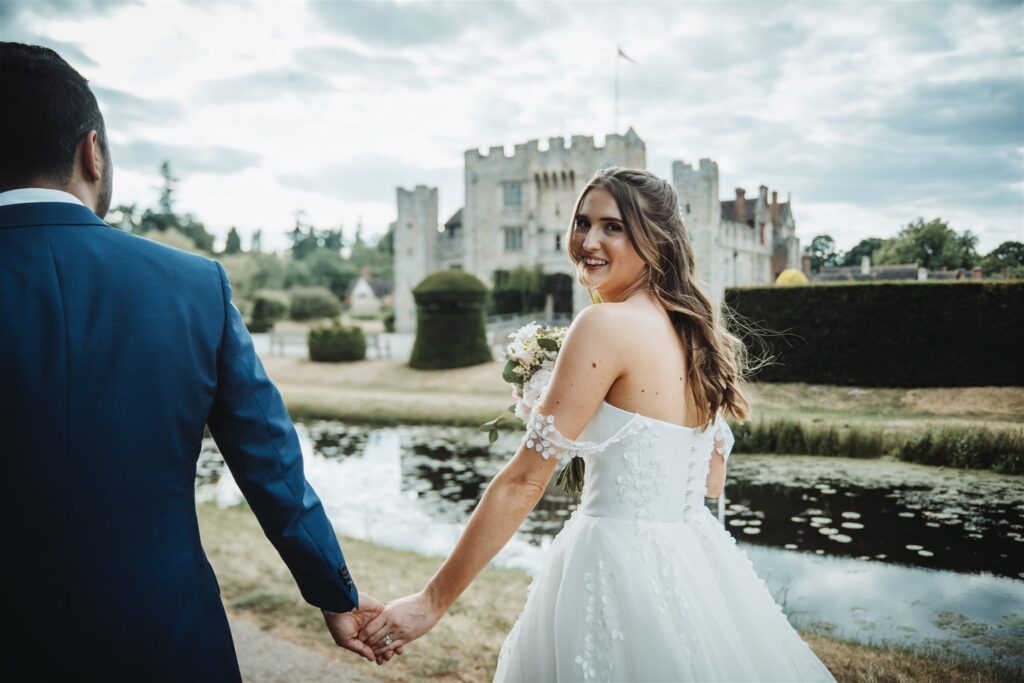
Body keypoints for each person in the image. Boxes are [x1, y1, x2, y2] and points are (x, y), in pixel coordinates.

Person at [0, 42, 389, 681]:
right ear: (91, 152)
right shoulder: (190, 286)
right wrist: (334, 591)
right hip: (165, 633)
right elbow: (269, 461)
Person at [357, 167, 837, 681]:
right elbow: (710, 483)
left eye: (613, 227)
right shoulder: (700, 336)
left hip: (612, 565)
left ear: (656, 239)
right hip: (696, 562)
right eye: (582, 223)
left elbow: (524, 482)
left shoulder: (603, 324)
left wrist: (433, 601)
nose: (588, 241)